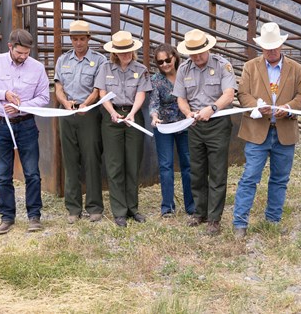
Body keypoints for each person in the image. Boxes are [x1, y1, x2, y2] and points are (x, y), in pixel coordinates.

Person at [233, 22, 301, 238]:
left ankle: (273, 220)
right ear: (261, 47)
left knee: (280, 179)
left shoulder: (296, 68)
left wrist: (290, 108)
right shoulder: (250, 67)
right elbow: (242, 94)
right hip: (257, 130)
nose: (271, 51)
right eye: (267, 48)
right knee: (250, 177)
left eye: (274, 47)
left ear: (281, 46)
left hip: (284, 130)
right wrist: (256, 105)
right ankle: (240, 223)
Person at [0, 29, 50, 234]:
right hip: (0, 125)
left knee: (32, 173)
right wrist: (2, 94)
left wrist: (21, 106)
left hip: (26, 124)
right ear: (10, 47)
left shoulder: (37, 68)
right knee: (2, 175)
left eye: (26, 53)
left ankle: (34, 216)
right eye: (19, 53)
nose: (23, 57)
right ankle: (7, 217)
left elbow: (44, 98)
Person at [173, 29, 236, 236]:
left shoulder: (221, 65)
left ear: (207, 48)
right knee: (197, 170)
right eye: (192, 53)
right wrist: (187, 112)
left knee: (217, 172)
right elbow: (180, 98)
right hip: (194, 125)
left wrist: (213, 109)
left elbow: (229, 94)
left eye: (200, 52)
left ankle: (214, 218)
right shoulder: (184, 69)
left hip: (217, 122)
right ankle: (200, 212)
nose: (197, 57)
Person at [94, 30, 152, 227]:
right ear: (115, 52)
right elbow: (102, 92)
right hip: (112, 117)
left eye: (128, 51)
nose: (125, 54)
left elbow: (141, 93)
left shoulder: (141, 69)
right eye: (121, 51)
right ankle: (119, 210)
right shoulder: (105, 68)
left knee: (132, 162)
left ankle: (133, 208)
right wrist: (111, 111)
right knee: (114, 164)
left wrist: (133, 113)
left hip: (133, 116)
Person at [54, 20, 107, 224]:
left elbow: (97, 89)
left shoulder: (99, 60)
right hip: (67, 113)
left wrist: (86, 104)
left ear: (88, 39)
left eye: (82, 39)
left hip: (89, 113)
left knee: (92, 158)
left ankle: (94, 206)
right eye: (74, 39)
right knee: (70, 159)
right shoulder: (63, 60)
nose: (78, 43)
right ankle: (73, 208)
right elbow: (58, 86)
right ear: (71, 39)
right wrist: (65, 103)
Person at [149, 43, 195, 217]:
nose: (165, 64)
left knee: (188, 164)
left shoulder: (186, 74)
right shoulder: (155, 80)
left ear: (175, 57)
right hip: (164, 126)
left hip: (186, 124)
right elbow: (153, 102)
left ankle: (191, 205)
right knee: (166, 166)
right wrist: (154, 116)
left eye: (167, 60)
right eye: (160, 62)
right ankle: (167, 207)